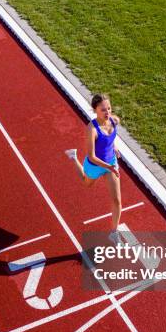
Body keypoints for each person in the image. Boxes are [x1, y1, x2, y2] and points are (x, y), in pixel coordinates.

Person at [65, 94, 123, 242]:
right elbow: (91, 156)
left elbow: (110, 140)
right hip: (95, 165)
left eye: (109, 108)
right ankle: (74, 157)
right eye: (103, 109)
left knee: (116, 200)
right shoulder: (91, 129)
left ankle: (114, 232)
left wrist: (115, 148)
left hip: (110, 163)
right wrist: (109, 167)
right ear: (95, 110)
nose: (107, 112)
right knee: (86, 183)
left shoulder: (114, 121)